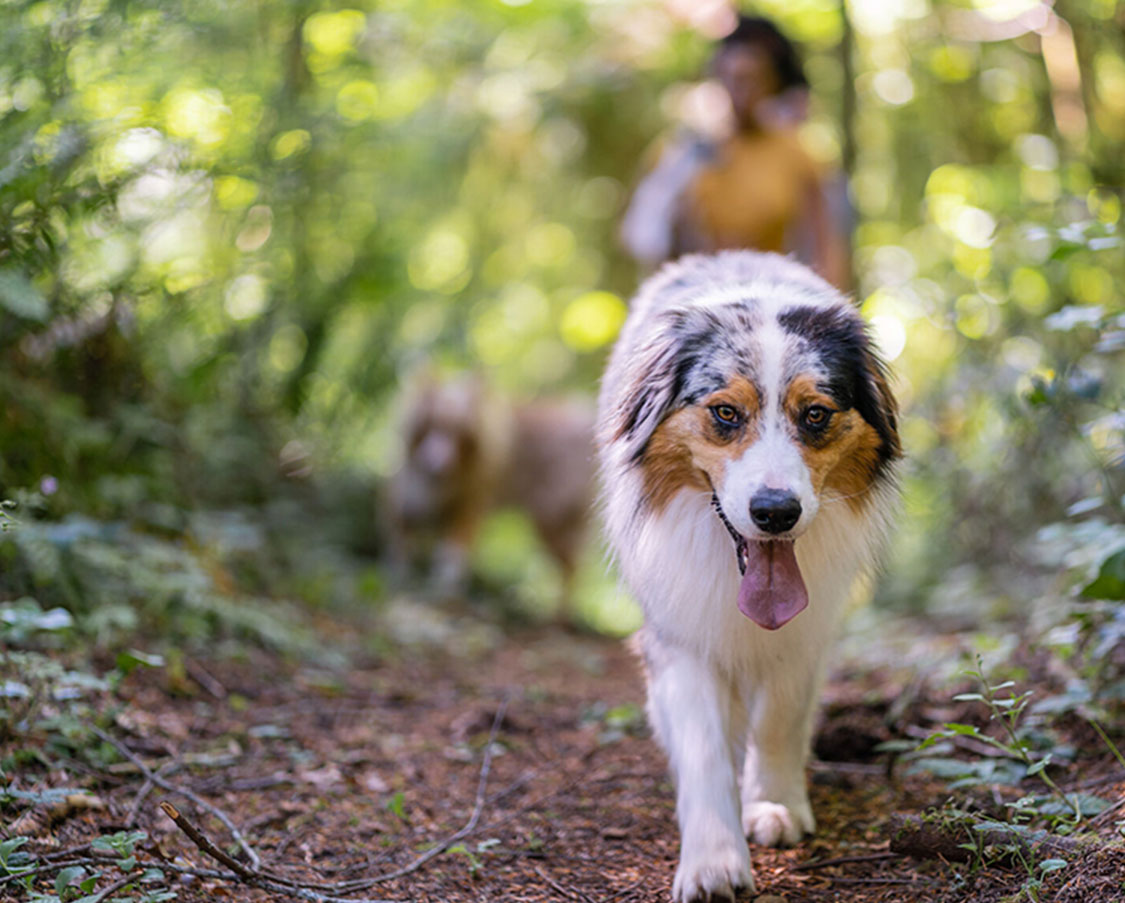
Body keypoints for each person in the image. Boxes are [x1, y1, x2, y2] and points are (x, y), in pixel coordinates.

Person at [621, 16, 850, 290]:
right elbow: (645, 239)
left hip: (770, 294)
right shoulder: (682, 151)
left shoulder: (798, 153)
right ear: (719, 77)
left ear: (772, 82)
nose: (742, 91)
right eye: (733, 78)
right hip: (696, 295)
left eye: (752, 79)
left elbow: (826, 247)